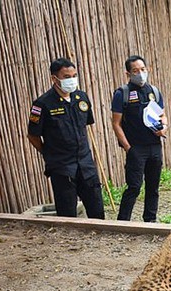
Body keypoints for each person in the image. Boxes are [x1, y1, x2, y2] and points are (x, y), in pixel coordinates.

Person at [27, 58, 105, 219]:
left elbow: (87, 124)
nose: (72, 80)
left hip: (86, 164)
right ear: (54, 79)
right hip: (62, 167)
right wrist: (48, 153)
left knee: (97, 210)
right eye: (67, 76)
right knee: (67, 215)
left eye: (74, 75)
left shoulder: (81, 97)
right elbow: (33, 135)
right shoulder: (42, 104)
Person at [111, 55, 167, 222]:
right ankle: (123, 221)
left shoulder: (154, 91)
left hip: (155, 146)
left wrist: (164, 126)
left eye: (143, 70)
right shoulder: (123, 93)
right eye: (135, 71)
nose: (140, 74)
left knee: (153, 186)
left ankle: (150, 220)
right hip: (136, 148)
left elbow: (162, 115)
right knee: (134, 187)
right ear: (128, 73)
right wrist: (128, 147)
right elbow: (116, 123)